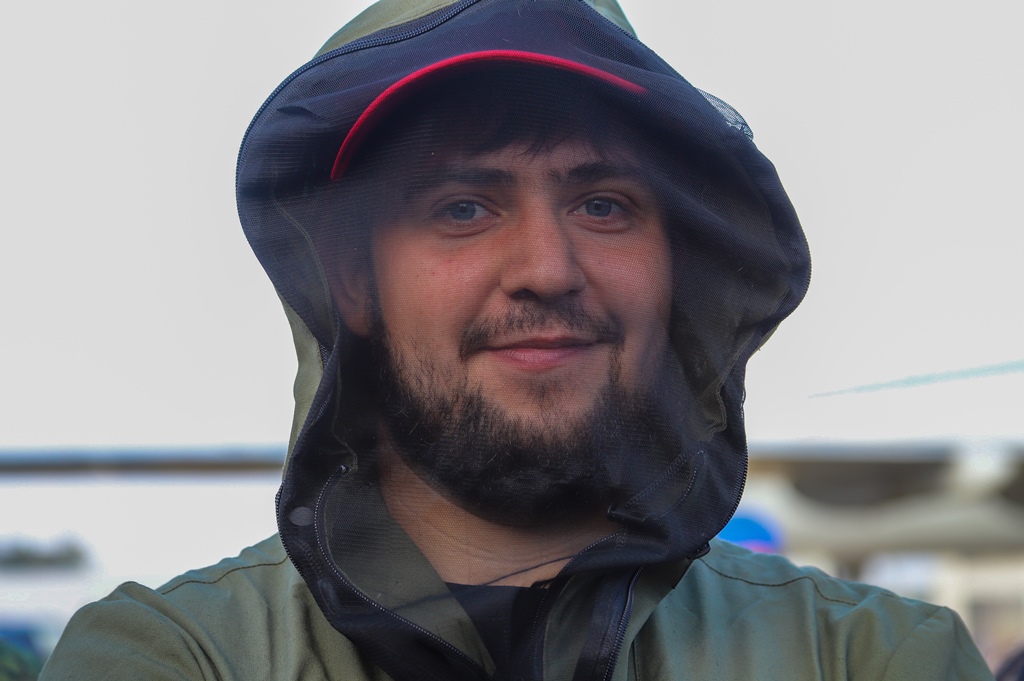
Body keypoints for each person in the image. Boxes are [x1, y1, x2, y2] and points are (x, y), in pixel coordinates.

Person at [40, 0, 993, 679]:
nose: (546, 265)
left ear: (680, 270)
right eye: (463, 206)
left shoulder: (871, 656)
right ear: (352, 283)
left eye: (604, 203)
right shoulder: (181, 654)